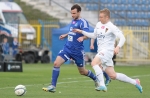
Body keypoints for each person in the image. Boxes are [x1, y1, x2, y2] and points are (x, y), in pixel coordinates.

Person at [73, 8, 143, 93]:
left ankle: (102, 85)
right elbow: (94, 35)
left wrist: (118, 47)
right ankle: (135, 82)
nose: (100, 18)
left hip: (108, 51)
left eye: (101, 17)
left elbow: (122, 38)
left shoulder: (112, 27)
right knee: (113, 75)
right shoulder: (98, 24)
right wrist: (81, 31)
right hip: (102, 52)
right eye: (99, 17)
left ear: (107, 17)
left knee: (94, 63)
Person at [42, 4, 98, 93]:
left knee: (82, 71)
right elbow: (73, 31)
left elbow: (88, 35)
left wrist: (82, 38)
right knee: (56, 63)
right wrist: (66, 35)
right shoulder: (73, 21)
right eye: (71, 13)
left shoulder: (83, 22)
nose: (72, 15)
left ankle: (95, 78)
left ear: (79, 12)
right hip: (67, 48)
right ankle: (53, 86)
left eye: (74, 13)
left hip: (77, 51)